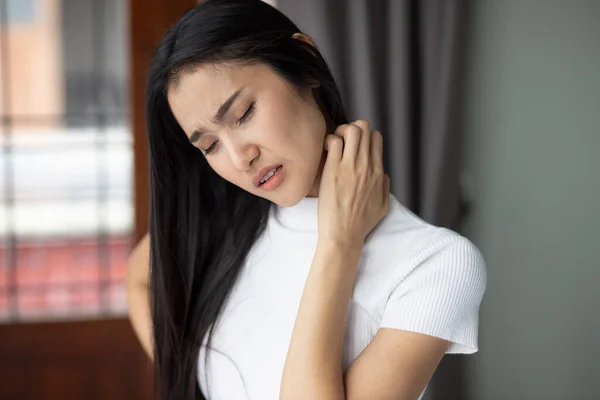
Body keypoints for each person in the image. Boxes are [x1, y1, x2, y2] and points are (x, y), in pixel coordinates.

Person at [127, 1, 487, 399]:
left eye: (244, 113)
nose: (239, 158)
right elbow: (140, 277)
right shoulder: (228, 221)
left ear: (304, 63)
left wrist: (339, 243)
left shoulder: (433, 264)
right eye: (210, 146)